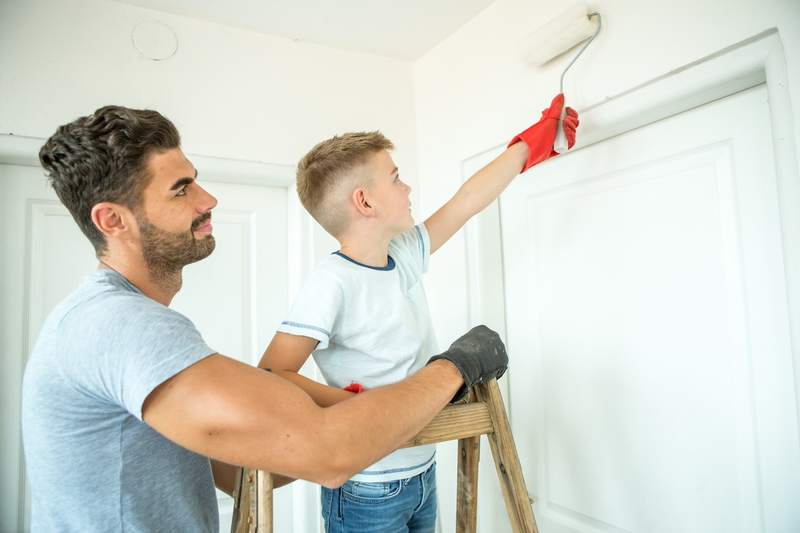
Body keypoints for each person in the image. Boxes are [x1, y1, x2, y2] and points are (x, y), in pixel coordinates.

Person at [20, 105, 509, 532]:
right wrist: (455, 368)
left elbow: (236, 468)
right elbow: (328, 454)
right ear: (113, 221)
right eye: (181, 189)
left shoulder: (126, 323)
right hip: (373, 491)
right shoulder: (118, 325)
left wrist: (361, 420)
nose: (207, 200)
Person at [259, 94, 578, 532]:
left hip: (421, 468)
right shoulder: (332, 281)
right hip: (367, 485)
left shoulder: (404, 254)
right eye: (395, 179)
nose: (407, 188)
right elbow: (274, 373)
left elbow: (466, 202)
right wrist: (362, 408)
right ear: (365, 203)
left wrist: (531, 144)